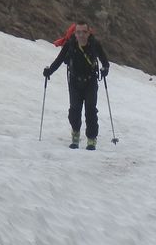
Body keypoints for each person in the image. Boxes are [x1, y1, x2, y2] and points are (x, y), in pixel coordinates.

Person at [43, 21, 109, 150]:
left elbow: (104, 61)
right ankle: (75, 134)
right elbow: (60, 59)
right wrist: (49, 71)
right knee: (75, 110)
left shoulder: (95, 44)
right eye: (78, 32)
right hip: (74, 81)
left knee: (90, 110)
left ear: (89, 32)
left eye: (84, 32)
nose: (81, 35)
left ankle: (91, 139)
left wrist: (105, 69)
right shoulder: (70, 44)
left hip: (91, 81)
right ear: (75, 33)